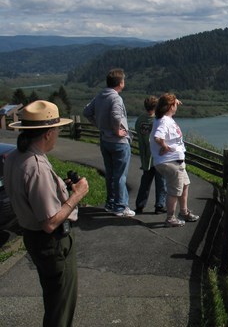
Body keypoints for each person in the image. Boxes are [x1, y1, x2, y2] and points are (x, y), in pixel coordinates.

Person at [4, 100, 90, 327]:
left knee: (53, 299)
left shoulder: (14, 157)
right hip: (53, 243)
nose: (59, 133)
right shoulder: (37, 167)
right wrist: (76, 195)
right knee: (60, 306)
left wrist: (60, 188)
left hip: (33, 238)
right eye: (58, 129)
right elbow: (50, 222)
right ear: (48, 134)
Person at [82, 68, 135, 217]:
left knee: (110, 174)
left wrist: (99, 125)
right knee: (120, 175)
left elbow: (87, 112)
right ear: (120, 82)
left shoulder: (101, 95)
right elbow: (116, 116)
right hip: (118, 142)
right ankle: (120, 206)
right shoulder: (116, 98)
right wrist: (117, 130)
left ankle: (110, 203)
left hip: (105, 139)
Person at [150, 93, 199, 227]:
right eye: (174, 104)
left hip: (175, 161)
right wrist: (164, 146)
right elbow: (157, 137)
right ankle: (170, 218)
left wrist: (175, 100)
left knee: (184, 185)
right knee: (174, 191)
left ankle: (183, 212)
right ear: (170, 107)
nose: (176, 106)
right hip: (170, 162)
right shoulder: (164, 121)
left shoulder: (163, 117)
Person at [134, 96, 167, 214]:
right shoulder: (158, 120)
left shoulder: (140, 120)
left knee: (145, 182)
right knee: (161, 181)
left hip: (146, 156)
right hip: (158, 156)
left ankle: (140, 205)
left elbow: (138, 132)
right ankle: (160, 205)